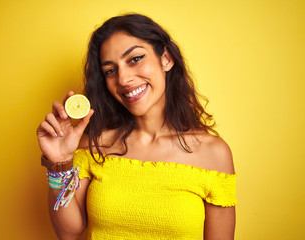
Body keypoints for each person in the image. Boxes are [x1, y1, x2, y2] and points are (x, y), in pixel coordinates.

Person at [36, 13, 237, 240]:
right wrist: (58, 163)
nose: (123, 79)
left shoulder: (213, 153)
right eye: (110, 71)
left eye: (135, 59)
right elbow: (68, 232)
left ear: (166, 59)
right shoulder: (94, 144)